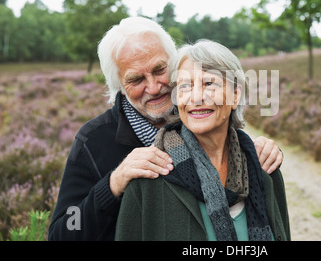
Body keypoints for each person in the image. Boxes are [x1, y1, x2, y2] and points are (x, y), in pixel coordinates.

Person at [48, 17, 284, 241]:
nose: (153, 87)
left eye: (160, 70)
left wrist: (254, 151)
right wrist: (112, 186)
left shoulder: (196, 117)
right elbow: (63, 232)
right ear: (119, 86)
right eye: (136, 79)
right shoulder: (93, 141)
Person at [115, 39, 290, 241]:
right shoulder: (150, 177)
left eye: (209, 83)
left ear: (235, 94)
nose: (196, 97)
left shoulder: (263, 167)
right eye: (185, 86)